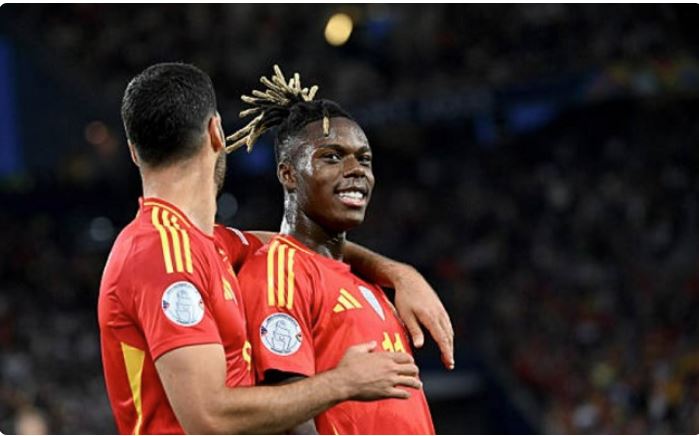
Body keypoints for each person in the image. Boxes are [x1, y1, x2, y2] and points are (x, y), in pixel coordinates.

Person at [98, 62, 448, 435]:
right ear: (217, 132)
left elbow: (302, 246)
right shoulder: (165, 255)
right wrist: (342, 382)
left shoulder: (205, 243)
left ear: (134, 152)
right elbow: (208, 418)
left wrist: (400, 274)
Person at [236, 66, 435, 434]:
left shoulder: (365, 282)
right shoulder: (279, 272)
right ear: (288, 174)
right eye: (331, 157)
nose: (356, 169)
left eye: (364, 159)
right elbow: (288, 420)